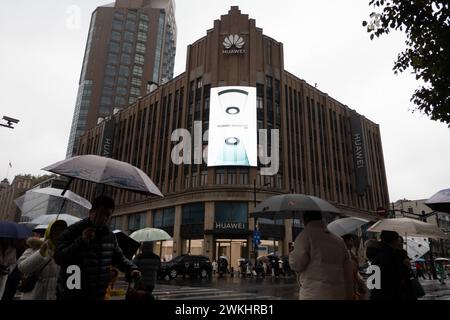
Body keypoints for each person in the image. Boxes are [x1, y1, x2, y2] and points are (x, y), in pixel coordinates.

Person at [54, 196, 141, 300]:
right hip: (71, 294)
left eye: (107, 215)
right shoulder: (73, 231)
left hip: (98, 294)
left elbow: (119, 258)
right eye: (100, 214)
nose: (104, 218)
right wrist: (82, 241)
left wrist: (131, 269)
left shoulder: (109, 236)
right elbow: (59, 257)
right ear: (91, 212)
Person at [289, 211, 353, 300]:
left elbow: (296, 264)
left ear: (304, 220)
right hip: (338, 293)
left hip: (313, 293)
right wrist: (349, 294)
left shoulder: (304, 236)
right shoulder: (339, 240)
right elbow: (348, 270)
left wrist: (292, 254)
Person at [17, 220, 67, 300]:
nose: (58, 236)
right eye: (56, 232)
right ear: (49, 233)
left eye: (62, 232)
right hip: (34, 294)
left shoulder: (65, 251)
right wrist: (40, 253)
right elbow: (22, 267)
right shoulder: (35, 247)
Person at [369, 230, 404, 300]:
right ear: (394, 240)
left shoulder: (379, 251)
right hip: (388, 293)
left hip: (378, 293)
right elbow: (391, 276)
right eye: (398, 240)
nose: (399, 242)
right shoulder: (388, 255)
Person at [342, 234, 367, 300]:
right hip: (349, 285)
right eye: (351, 240)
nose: (352, 243)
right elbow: (353, 269)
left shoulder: (349, 252)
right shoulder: (346, 253)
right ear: (347, 241)